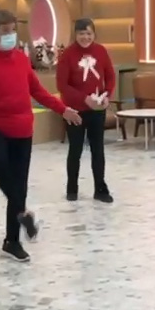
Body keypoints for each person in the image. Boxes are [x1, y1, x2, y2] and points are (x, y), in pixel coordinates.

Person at [0, 9, 82, 262]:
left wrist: (63, 109)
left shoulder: (21, 59)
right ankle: (23, 214)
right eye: (5, 31)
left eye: (13, 30)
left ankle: (12, 241)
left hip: (22, 130)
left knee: (19, 186)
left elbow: (38, 91)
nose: (12, 35)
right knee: (6, 177)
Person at [56, 17, 115, 203]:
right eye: (81, 33)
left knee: (98, 150)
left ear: (94, 34)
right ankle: (72, 189)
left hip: (97, 109)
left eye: (89, 33)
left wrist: (107, 95)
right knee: (75, 149)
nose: (85, 37)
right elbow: (62, 85)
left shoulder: (101, 51)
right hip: (75, 111)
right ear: (75, 34)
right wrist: (84, 99)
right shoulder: (67, 55)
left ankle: (100, 189)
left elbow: (110, 77)